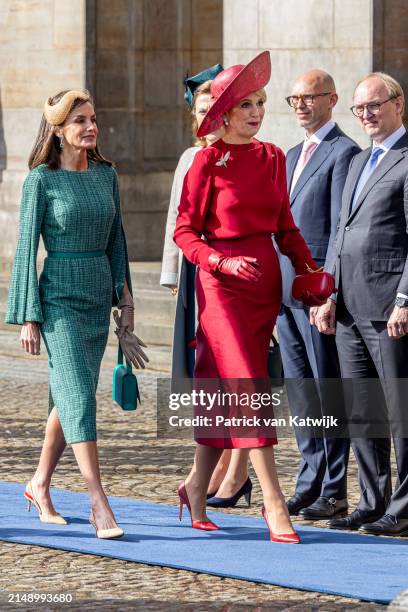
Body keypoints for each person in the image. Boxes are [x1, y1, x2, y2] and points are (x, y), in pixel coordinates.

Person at [174, 51, 329, 543]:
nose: (257, 112)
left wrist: (310, 270)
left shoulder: (271, 157)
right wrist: (219, 262)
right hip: (221, 288)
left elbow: (284, 225)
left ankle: (196, 486)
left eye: (261, 103)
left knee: (226, 390)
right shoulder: (204, 162)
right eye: (247, 105)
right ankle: (272, 501)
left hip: (263, 287)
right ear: (224, 111)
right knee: (248, 392)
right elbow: (185, 233)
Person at [5, 90, 148, 539]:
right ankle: (97, 500)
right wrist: (28, 315)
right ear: (59, 130)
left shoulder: (106, 175)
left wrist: (125, 302)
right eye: (80, 121)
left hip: (97, 295)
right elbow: (26, 250)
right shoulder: (40, 181)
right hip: (59, 301)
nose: (91, 127)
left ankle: (39, 485)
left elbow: (117, 243)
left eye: (93, 119)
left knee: (69, 398)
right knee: (80, 399)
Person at [314, 72, 408, 536]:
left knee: (398, 409)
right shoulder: (356, 160)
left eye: (374, 105)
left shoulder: (407, 159)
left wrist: (405, 300)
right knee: (362, 409)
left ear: (398, 104)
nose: (367, 115)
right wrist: (327, 293)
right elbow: (339, 233)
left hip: (390, 306)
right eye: (359, 109)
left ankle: (404, 507)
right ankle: (373, 502)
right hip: (349, 306)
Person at [276, 69, 360, 520]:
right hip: (283, 296)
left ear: (332, 99)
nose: (301, 106)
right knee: (301, 394)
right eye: (294, 99)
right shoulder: (289, 155)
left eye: (309, 97)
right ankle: (309, 482)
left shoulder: (343, 152)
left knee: (328, 393)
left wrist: (326, 293)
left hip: (316, 296)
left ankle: (334, 488)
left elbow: (338, 232)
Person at [160, 63, 224, 379]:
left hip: (229, 265)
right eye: (201, 111)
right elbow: (176, 214)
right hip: (193, 265)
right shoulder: (189, 158)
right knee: (197, 346)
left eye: (215, 109)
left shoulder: (247, 154)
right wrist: (172, 273)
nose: (208, 117)